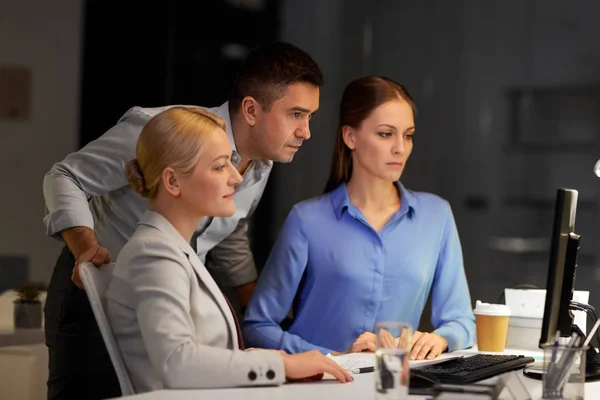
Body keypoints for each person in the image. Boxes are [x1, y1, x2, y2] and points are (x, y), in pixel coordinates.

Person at [42, 42, 322, 399]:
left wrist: (261, 315)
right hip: (91, 285)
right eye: (296, 114)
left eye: (310, 116)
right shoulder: (163, 131)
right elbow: (64, 176)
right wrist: (86, 248)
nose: (306, 131)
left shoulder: (260, 163)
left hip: (169, 300)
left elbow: (230, 232)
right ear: (251, 109)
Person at [106, 107, 351, 392]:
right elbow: (177, 362)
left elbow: (206, 355)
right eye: (220, 166)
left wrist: (282, 358)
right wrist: (282, 366)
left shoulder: (174, 249)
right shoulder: (153, 255)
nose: (236, 177)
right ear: (173, 181)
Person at [243, 76, 476, 360]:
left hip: (391, 387)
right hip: (320, 387)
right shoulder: (307, 220)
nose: (400, 148)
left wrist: (439, 339)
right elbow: (258, 326)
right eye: (386, 134)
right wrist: (333, 357)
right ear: (350, 137)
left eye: (408, 135)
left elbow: (462, 321)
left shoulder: (436, 216)